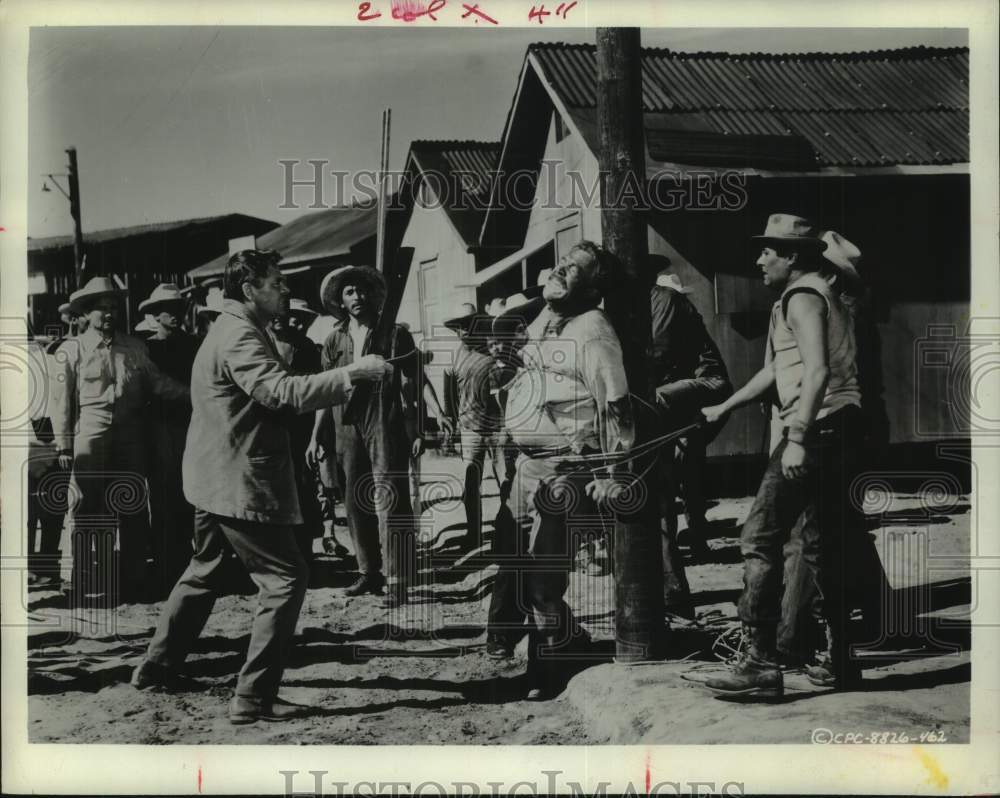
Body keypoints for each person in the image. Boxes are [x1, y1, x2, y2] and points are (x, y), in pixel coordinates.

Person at [131, 249, 391, 724]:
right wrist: (354, 373)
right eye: (275, 282)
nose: (285, 289)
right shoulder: (238, 335)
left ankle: (157, 665)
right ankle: (253, 697)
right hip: (237, 477)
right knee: (286, 578)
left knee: (204, 569)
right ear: (249, 290)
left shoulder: (233, 329)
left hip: (213, 474)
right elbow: (281, 392)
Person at [701, 214, 863, 700]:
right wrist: (725, 405)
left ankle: (760, 664)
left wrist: (796, 436)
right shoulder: (817, 295)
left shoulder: (802, 298)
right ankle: (839, 661)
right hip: (839, 428)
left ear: (792, 257)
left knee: (759, 539)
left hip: (816, 431)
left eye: (768, 252)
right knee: (821, 545)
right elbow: (779, 367)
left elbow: (814, 373)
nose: (759, 260)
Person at [486, 241, 634, 699]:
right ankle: (569, 642)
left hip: (567, 466)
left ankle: (549, 670)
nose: (558, 271)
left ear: (591, 289)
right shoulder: (546, 321)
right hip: (528, 464)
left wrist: (614, 472)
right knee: (514, 563)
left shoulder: (592, 331)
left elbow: (616, 405)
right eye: (560, 263)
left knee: (542, 576)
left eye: (573, 270)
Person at [309, 266, 447, 608]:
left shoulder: (394, 334)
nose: (357, 298)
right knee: (354, 497)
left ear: (372, 294)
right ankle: (368, 571)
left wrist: (433, 416)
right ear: (340, 300)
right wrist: (315, 437)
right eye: (349, 292)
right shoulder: (334, 339)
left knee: (390, 496)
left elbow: (414, 376)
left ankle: (397, 579)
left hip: (384, 415)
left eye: (362, 290)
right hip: (346, 421)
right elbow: (326, 391)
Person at [49, 277, 190, 606]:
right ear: (86, 313)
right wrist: (64, 445)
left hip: (131, 438)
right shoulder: (71, 351)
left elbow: (160, 384)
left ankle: (134, 580)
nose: (109, 313)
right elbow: (61, 403)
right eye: (101, 308)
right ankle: (83, 582)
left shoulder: (135, 348)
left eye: (113, 307)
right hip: (90, 436)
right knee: (86, 508)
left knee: (132, 507)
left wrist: (196, 395)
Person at [648, 263, 733, 597]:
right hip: (680, 397)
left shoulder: (665, 300)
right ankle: (691, 548)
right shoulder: (661, 301)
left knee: (685, 471)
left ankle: (695, 541)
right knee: (677, 477)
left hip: (699, 390)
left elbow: (656, 352)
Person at [141, 283, 201, 597]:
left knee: (190, 495)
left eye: (178, 309)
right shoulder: (145, 347)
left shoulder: (194, 344)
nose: (174, 315)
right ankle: (166, 567)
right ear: (153, 314)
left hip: (193, 426)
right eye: (167, 309)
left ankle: (190, 564)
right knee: (163, 497)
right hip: (160, 428)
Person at [442, 304, 514, 549]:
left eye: (469, 323)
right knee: (471, 483)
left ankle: (507, 531)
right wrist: (451, 421)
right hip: (470, 428)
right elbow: (449, 391)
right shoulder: (455, 357)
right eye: (459, 325)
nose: (464, 329)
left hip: (498, 428)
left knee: (506, 480)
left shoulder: (494, 349)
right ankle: (473, 534)